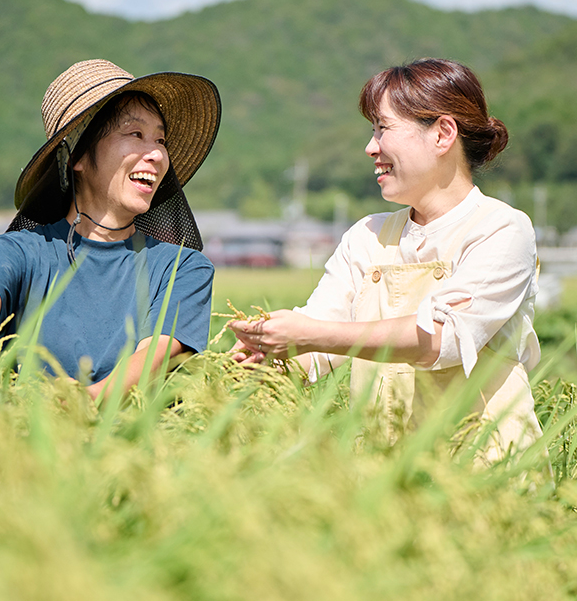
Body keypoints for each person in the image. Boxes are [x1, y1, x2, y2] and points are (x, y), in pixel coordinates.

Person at [230, 58, 542, 461]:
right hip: (383, 474)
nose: (371, 147)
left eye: (383, 128)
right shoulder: (367, 235)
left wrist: (307, 334)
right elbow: (322, 338)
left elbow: (441, 342)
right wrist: (269, 357)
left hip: (486, 467)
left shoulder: (501, 229)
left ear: (443, 134)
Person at [0, 59, 220, 401]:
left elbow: (156, 354)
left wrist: (88, 401)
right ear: (76, 156)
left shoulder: (183, 267)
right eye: (135, 134)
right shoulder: (21, 251)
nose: (156, 153)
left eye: (160, 139)